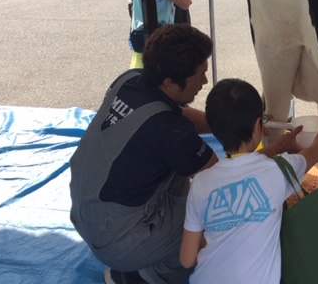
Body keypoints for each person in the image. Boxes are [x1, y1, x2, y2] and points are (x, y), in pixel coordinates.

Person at [69, 24, 301, 284]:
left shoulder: (132, 79)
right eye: (200, 75)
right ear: (170, 82)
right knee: (217, 217)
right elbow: (229, 180)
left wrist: (233, 122)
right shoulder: (171, 132)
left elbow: (178, 115)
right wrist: (276, 147)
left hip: (87, 210)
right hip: (117, 237)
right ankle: (142, 276)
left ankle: (148, 251)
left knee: (188, 175)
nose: (205, 81)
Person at [180, 78, 318, 283]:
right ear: (258, 124)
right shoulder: (277, 171)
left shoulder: (200, 183)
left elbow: (187, 260)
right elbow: (316, 149)